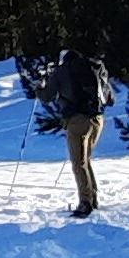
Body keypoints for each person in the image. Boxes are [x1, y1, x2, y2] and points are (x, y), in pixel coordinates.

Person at [50, 47, 112, 218]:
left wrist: (39, 88)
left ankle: (85, 202)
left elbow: (47, 95)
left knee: (79, 162)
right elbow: (110, 97)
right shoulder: (94, 68)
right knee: (85, 160)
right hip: (98, 118)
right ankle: (92, 197)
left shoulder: (62, 72)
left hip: (78, 120)